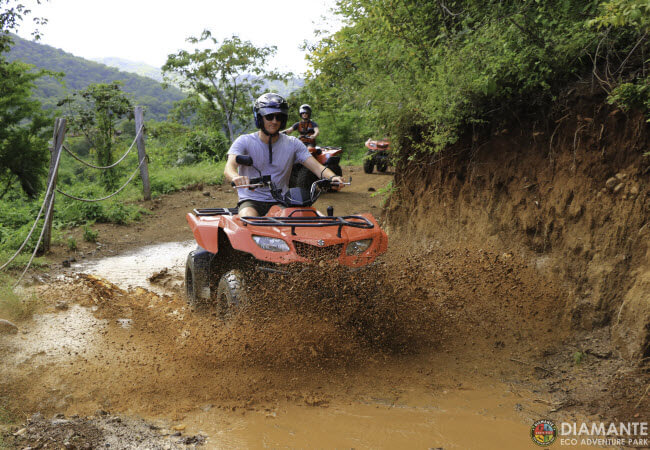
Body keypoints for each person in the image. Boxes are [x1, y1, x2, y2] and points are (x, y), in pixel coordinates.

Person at [224, 93, 344, 217]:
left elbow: (317, 167)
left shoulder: (292, 143)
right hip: (251, 200)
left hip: (281, 200)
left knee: (300, 219)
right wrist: (235, 177)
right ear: (259, 118)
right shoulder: (244, 141)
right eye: (269, 117)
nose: (275, 121)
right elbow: (229, 167)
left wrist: (333, 177)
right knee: (247, 218)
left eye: (279, 117)